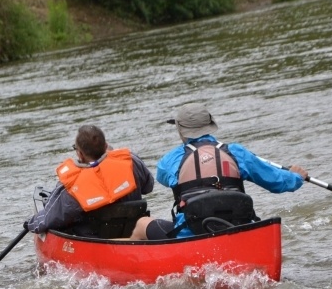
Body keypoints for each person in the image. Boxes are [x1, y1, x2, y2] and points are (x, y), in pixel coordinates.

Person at [130, 103, 309, 240]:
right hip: (237, 229)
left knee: (141, 224)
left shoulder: (169, 161)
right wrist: (296, 176)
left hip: (191, 234)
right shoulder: (237, 152)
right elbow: (278, 182)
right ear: (210, 125)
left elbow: (163, 179)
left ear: (180, 130)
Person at [26, 124, 155, 238]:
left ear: (80, 154)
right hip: (133, 233)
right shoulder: (132, 162)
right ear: (105, 146)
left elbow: (49, 219)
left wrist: (30, 224)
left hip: (96, 240)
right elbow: (148, 187)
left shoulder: (73, 185)